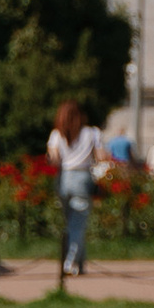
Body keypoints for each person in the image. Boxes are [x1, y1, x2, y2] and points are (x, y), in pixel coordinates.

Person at [47, 99, 110, 276]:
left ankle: (80, 264)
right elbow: (102, 156)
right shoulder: (92, 132)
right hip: (82, 177)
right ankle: (70, 262)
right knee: (77, 225)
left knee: (71, 223)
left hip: (64, 178)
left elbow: (54, 159)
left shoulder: (56, 134)